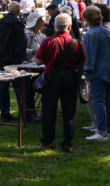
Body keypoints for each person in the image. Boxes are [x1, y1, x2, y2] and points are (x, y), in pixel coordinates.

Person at [36, 13, 85, 151]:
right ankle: (67, 143)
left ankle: (47, 142)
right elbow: (83, 61)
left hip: (52, 78)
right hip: (70, 78)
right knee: (69, 112)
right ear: (69, 27)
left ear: (55, 27)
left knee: (48, 112)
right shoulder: (77, 43)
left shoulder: (48, 42)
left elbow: (38, 61)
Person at [82, 7, 110, 142]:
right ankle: (107, 129)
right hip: (109, 69)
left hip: (98, 70)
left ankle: (102, 131)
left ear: (86, 19)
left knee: (98, 100)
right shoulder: (106, 31)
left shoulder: (90, 34)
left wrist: (87, 70)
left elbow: (89, 56)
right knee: (107, 100)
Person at [0, 1, 27, 120]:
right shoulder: (18, 24)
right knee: (18, 87)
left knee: (3, 87)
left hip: (2, 57)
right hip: (15, 58)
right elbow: (22, 43)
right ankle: (23, 112)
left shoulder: (0, 22)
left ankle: (4, 113)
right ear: (18, 12)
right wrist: (23, 58)